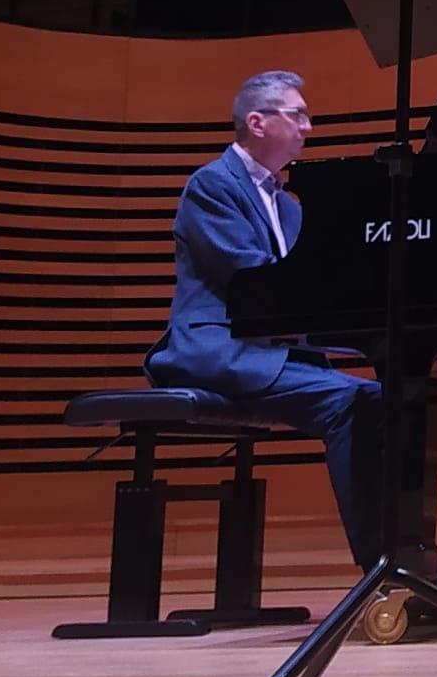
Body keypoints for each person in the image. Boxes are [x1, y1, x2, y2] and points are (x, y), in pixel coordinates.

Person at [146, 71, 382, 570]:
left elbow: (309, 288)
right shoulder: (212, 185)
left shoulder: (290, 206)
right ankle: (378, 568)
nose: (308, 127)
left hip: (271, 352)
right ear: (257, 123)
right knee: (352, 403)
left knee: (390, 398)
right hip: (219, 348)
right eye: (297, 115)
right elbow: (251, 279)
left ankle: (409, 558)